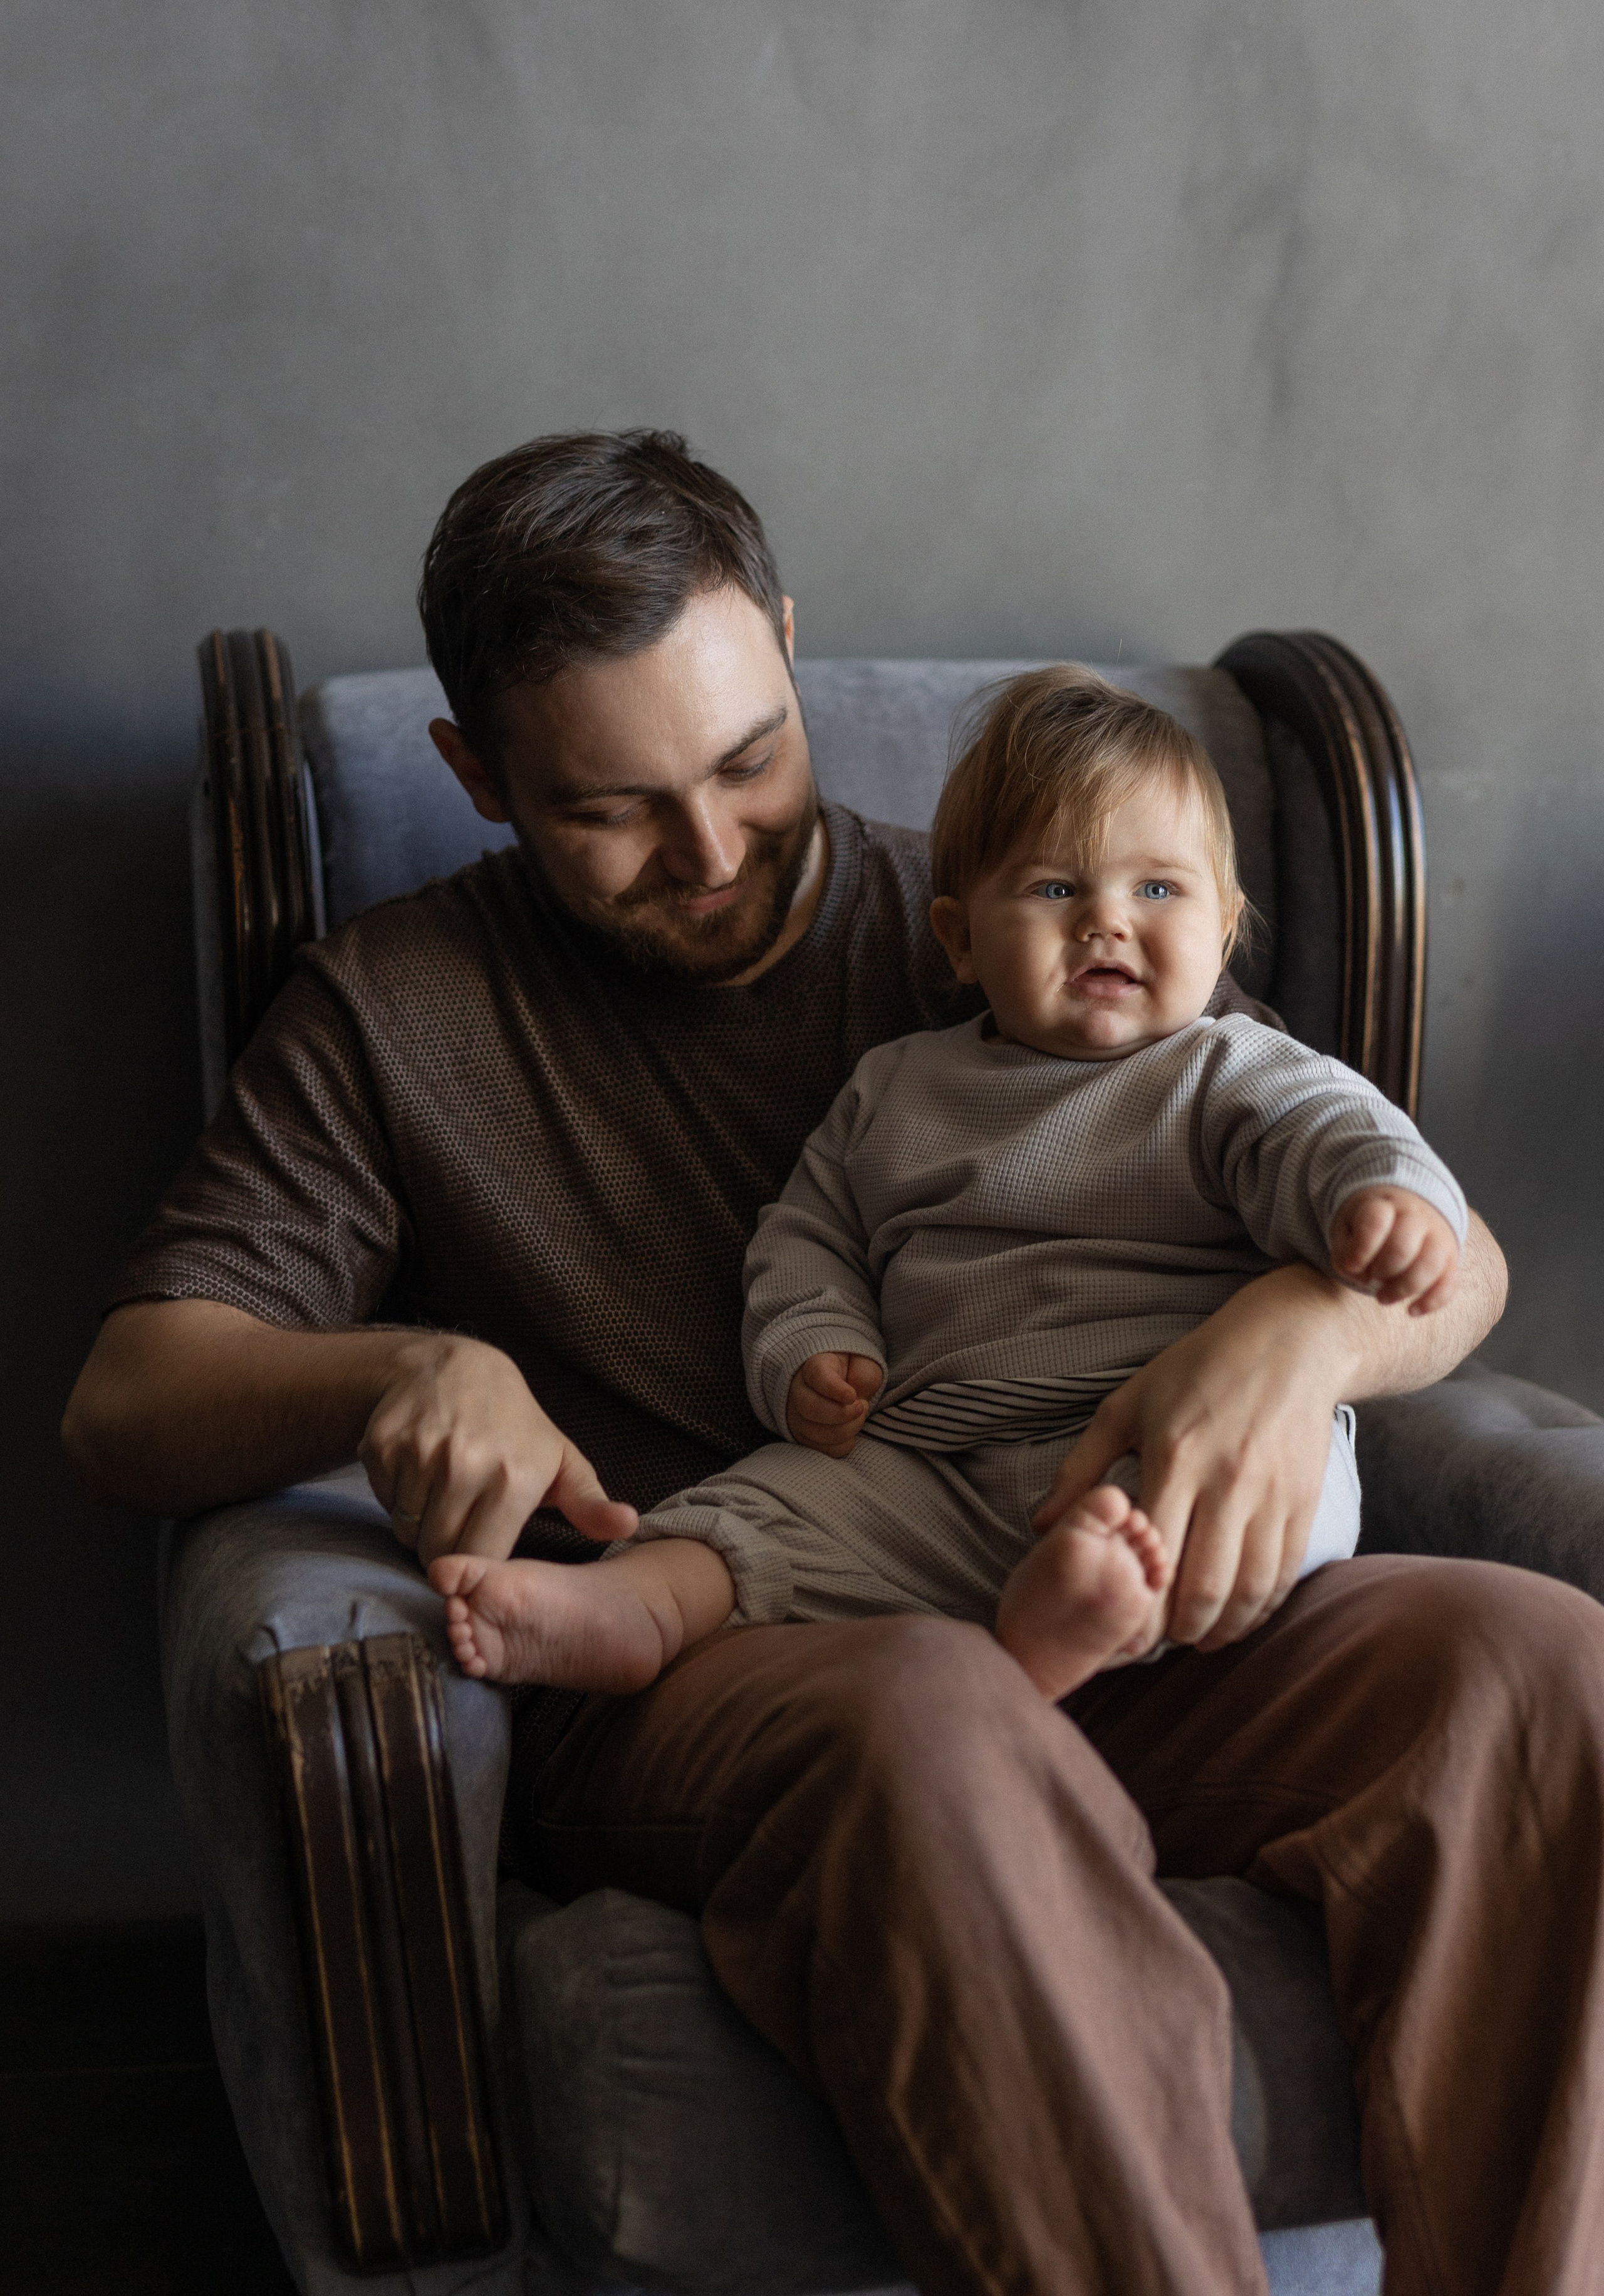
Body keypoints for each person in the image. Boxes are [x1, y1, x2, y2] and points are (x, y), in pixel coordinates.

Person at [61, 431, 1604, 2296]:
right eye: (607, 809)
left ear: (788, 651)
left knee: (1539, 1669)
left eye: (748, 759)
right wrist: (400, 1363)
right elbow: (127, 1398)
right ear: (477, 775)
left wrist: (1296, 1340)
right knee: (935, 1710)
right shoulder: (393, 1014)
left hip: (1113, 1589)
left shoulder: (1025, 906)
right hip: (724, 1651)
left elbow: (1438, 1247)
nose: (711, 854)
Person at [431, 667, 1467, 1701]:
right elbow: (806, 1238)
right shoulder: (896, 1086)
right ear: (960, 939)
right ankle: (636, 1607)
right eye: (1057, 889)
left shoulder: (1222, 1071)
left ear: (1227, 928)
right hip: (929, 1461)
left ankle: (1084, 1615)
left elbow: (1327, 1128)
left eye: (1157, 888)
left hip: (1159, 1430)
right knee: (754, 1509)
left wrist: (1382, 1198)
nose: (1107, 921)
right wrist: (813, 1345)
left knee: (1248, 1502)